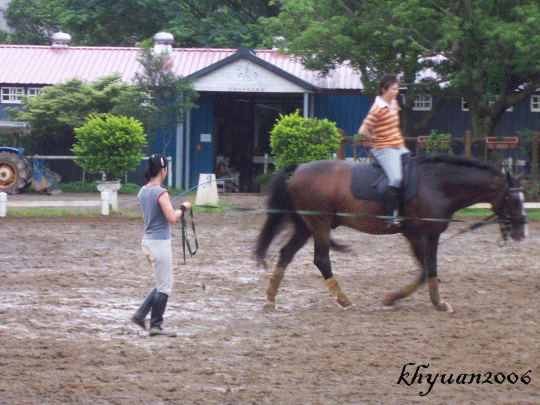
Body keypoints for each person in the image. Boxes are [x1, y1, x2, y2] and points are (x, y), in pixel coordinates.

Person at [131, 154, 191, 337]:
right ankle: (156, 325)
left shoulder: (143, 191)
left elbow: (158, 211)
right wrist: (183, 208)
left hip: (147, 242)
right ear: (163, 170)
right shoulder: (161, 192)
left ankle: (141, 314)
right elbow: (172, 218)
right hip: (159, 243)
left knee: (162, 282)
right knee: (165, 286)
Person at [357, 74, 410, 226]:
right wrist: (373, 139)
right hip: (385, 149)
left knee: (412, 169)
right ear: (383, 89)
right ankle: (391, 213)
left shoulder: (394, 103)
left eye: (397, 88)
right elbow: (362, 130)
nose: (396, 91)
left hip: (399, 146)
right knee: (396, 178)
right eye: (394, 89)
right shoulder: (377, 108)